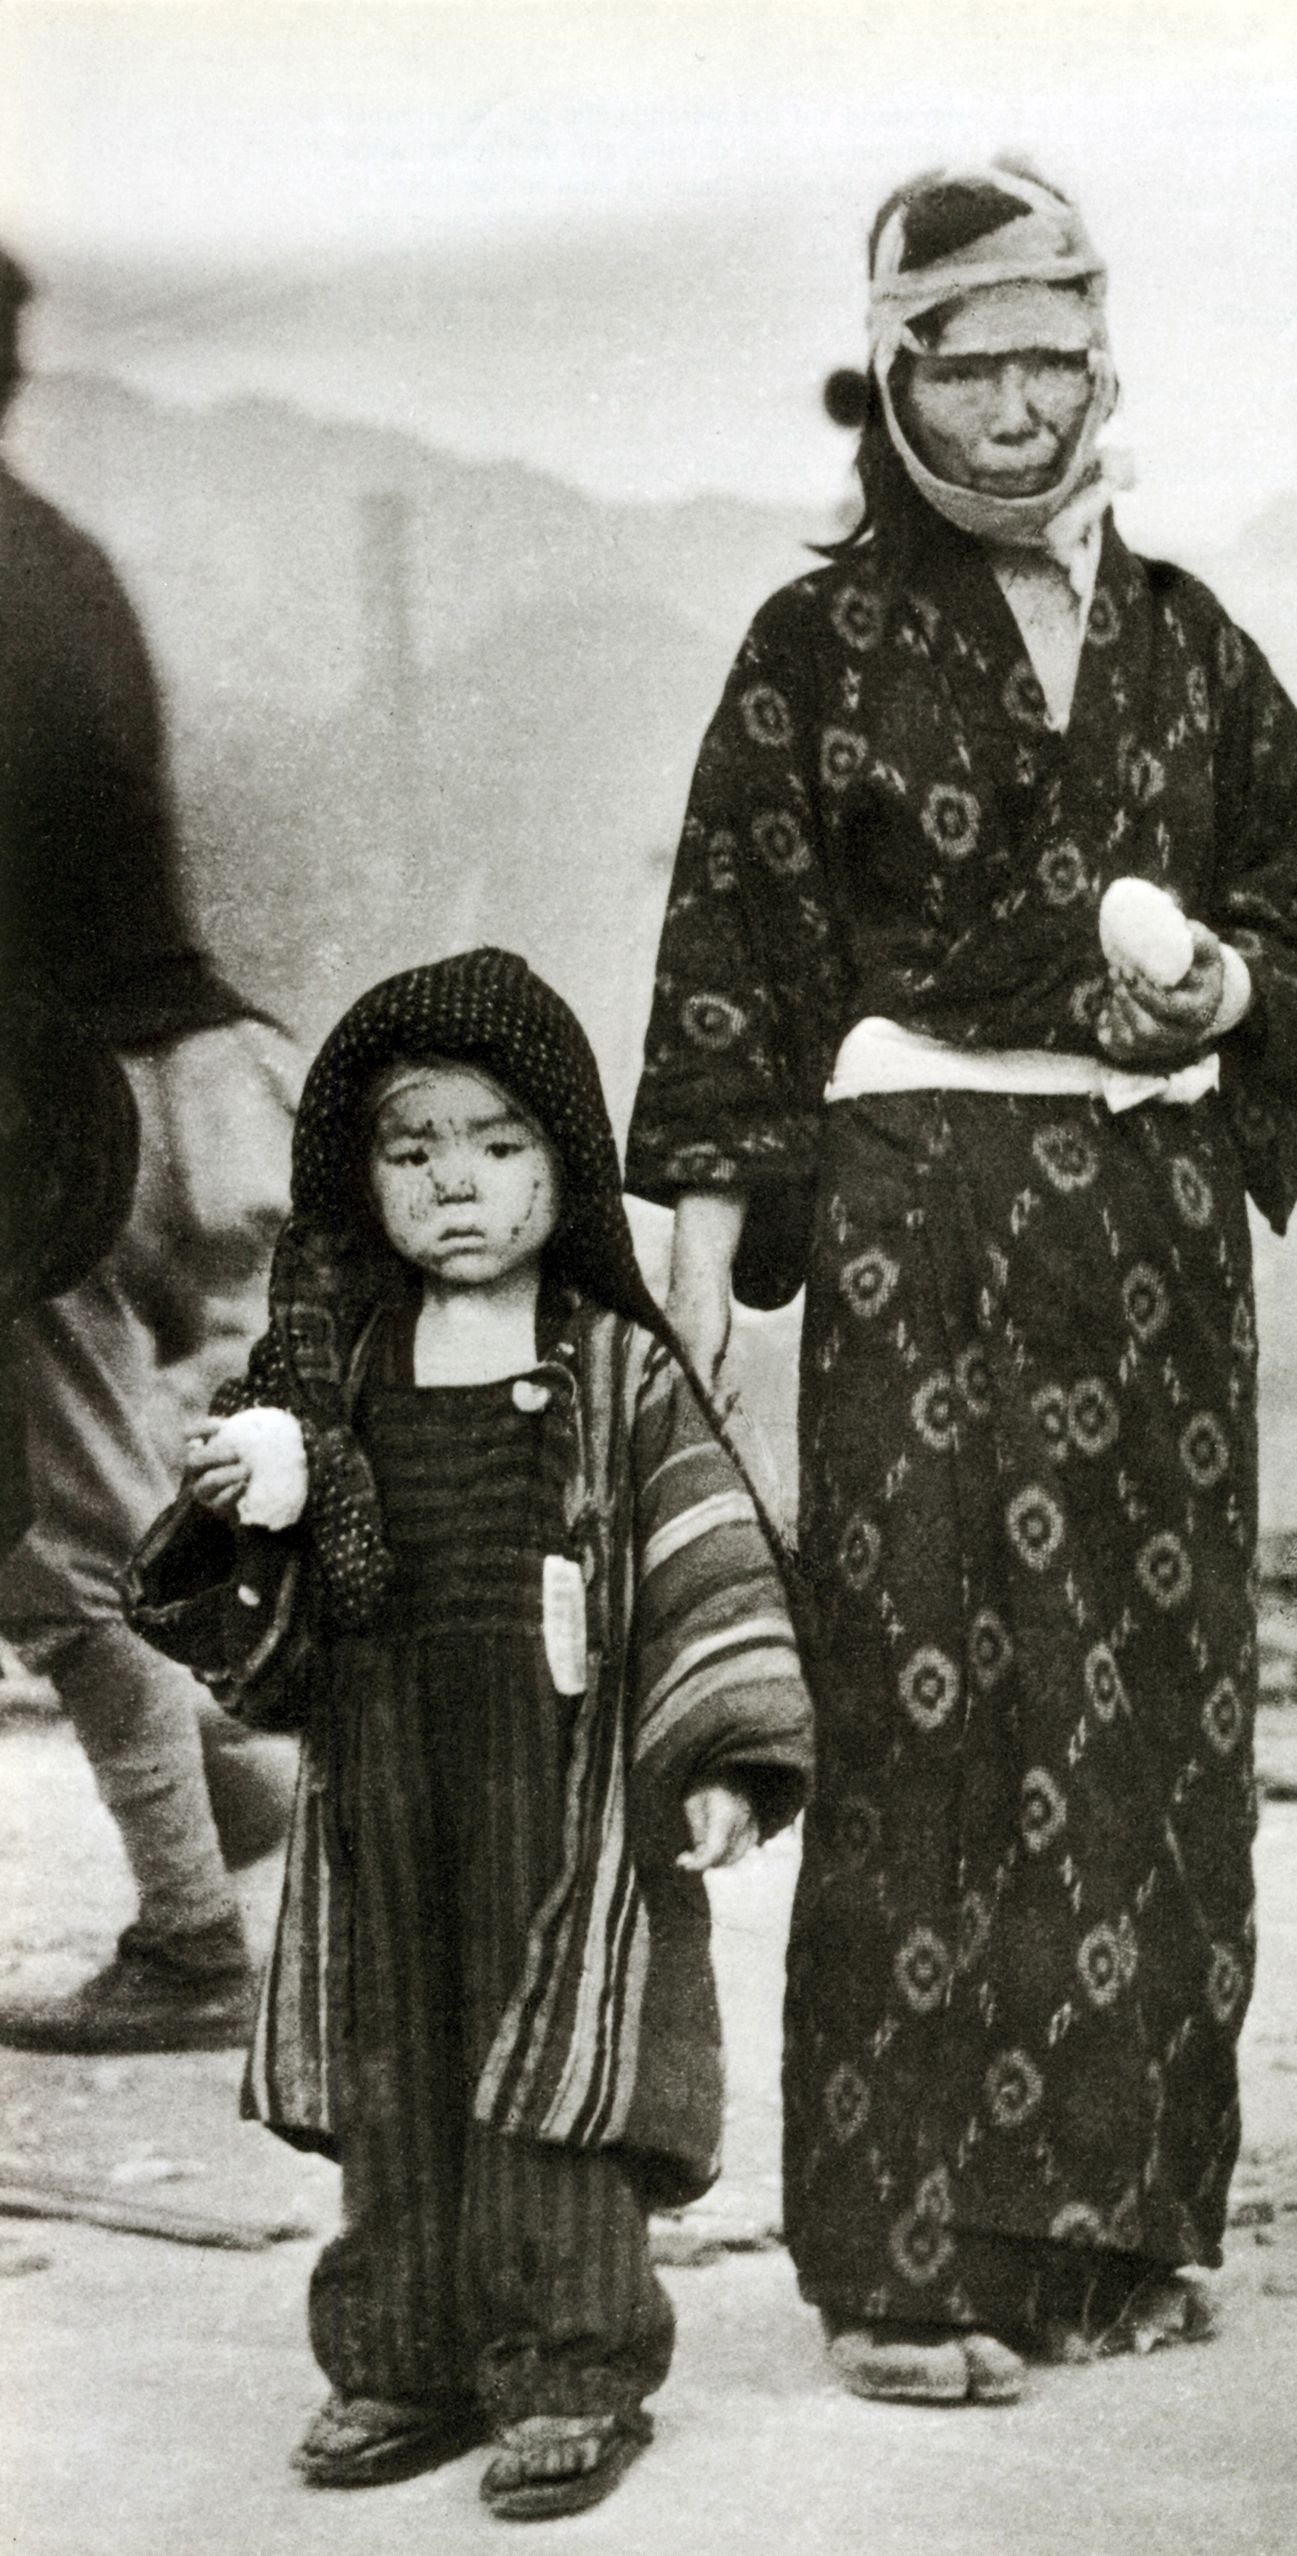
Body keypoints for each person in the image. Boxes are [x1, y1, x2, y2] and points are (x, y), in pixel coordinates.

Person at [625, 160, 1297, 2404]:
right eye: (976, 361)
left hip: (1146, 1253)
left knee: (1149, 1717)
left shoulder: (1198, 641)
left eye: (1060, 357)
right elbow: (737, 951)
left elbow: (1287, 934)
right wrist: (715, 1262)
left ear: (1099, 363)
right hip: (919, 1224)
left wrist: (1221, 990)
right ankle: (908, 2264)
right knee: (928, 1702)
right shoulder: (815, 648)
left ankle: (1117, 2223)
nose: (1024, 406)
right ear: (900, 378)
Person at [145, 946, 811, 2518]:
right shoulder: (340, 1376)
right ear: (354, 1177)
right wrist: (252, 1500)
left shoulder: (613, 1368)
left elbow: (705, 1547)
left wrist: (723, 1752)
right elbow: (253, 1600)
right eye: (411, 1147)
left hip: (564, 1791)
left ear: (563, 1166)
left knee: (560, 2077)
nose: (456, 1185)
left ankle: (571, 2373)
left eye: (500, 1145)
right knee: (399, 2073)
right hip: (384, 1778)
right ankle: (400, 2359)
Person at [0, 241, 299, 2054]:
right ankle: (222, 1791)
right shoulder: (57, 557)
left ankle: (195, 1941)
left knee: (67, 1541)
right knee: (50, 1517)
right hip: (144, 1082)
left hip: (45, 1117)